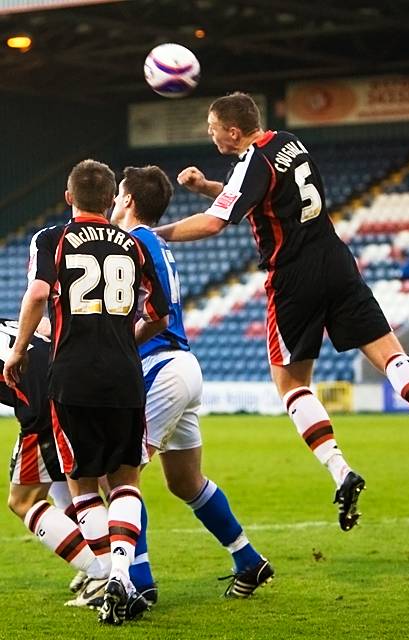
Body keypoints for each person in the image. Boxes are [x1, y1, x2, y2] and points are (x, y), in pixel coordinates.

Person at [152, 92, 409, 532]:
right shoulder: (288, 143)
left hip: (293, 277)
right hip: (336, 260)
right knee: (388, 352)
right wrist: (209, 187)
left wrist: (152, 235)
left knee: (291, 384)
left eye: (212, 128)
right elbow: (260, 195)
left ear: (232, 131)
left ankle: (341, 469)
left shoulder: (251, 162)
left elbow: (214, 222)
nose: (210, 135)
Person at [3, 159, 169, 625]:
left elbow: (38, 294)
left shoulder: (51, 238)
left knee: (81, 485)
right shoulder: (134, 246)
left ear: (69, 195)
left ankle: (106, 578)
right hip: (124, 376)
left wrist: (17, 352)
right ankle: (121, 575)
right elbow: (159, 314)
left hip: (71, 375)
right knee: (126, 482)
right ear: (112, 197)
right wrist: (122, 340)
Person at [110, 164, 274, 598]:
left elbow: (150, 313)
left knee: (120, 478)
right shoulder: (154, 241)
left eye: (117, 195)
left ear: (127, 200)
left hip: (157, 367)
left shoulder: (132, 244)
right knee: (185, 481)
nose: (112, 202)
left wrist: (117, 344)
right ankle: (248, 559)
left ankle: (139, 585)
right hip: (182, 366)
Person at [0, 317, 110, 606]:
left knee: (22, 501)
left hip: (43, 410)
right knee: (82, 489)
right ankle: (116, 568)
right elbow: (47, 326)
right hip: (79, 387)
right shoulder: (8, 323)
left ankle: (100, 573)